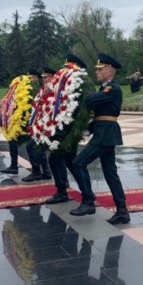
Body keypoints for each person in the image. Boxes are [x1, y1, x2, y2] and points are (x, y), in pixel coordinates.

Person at [70, 53, 130, 225]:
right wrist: (88, 129)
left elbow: (90, 100)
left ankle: (88, 201)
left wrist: (76, 93)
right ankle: (122, 211)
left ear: (110, 70)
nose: (97, 72)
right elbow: (102, 115)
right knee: (110, 173)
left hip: (105, 135)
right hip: (104, 132)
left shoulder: (113, 89)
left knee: (78, 163)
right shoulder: (106, 88)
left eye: (100, 69)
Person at [44, 57, 87, 206]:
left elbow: (79, 109)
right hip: (64, 128)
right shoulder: (70, 84)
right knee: (70, 161)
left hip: (70, 129)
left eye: (68, 67)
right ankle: (85, 192)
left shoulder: (78, 85)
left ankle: (65, 192)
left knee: (57, 159)